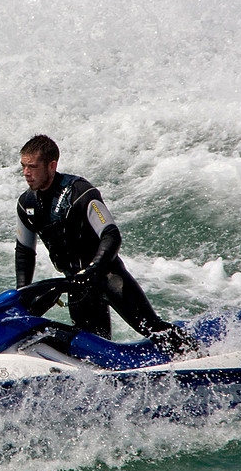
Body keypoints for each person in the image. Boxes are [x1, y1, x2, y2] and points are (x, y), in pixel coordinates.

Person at [14, 134, 198, 355]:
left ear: (52, 166)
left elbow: (111, 234)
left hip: (108, 277)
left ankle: (200, 355)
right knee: (93, 350)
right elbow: (24, 252)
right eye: (23, 166)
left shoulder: (80, 192)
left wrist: (92, 270)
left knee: (151, 328)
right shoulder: (26, 204)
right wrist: (22, 294)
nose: (26, 173)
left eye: (32, 167)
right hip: (77, 286)